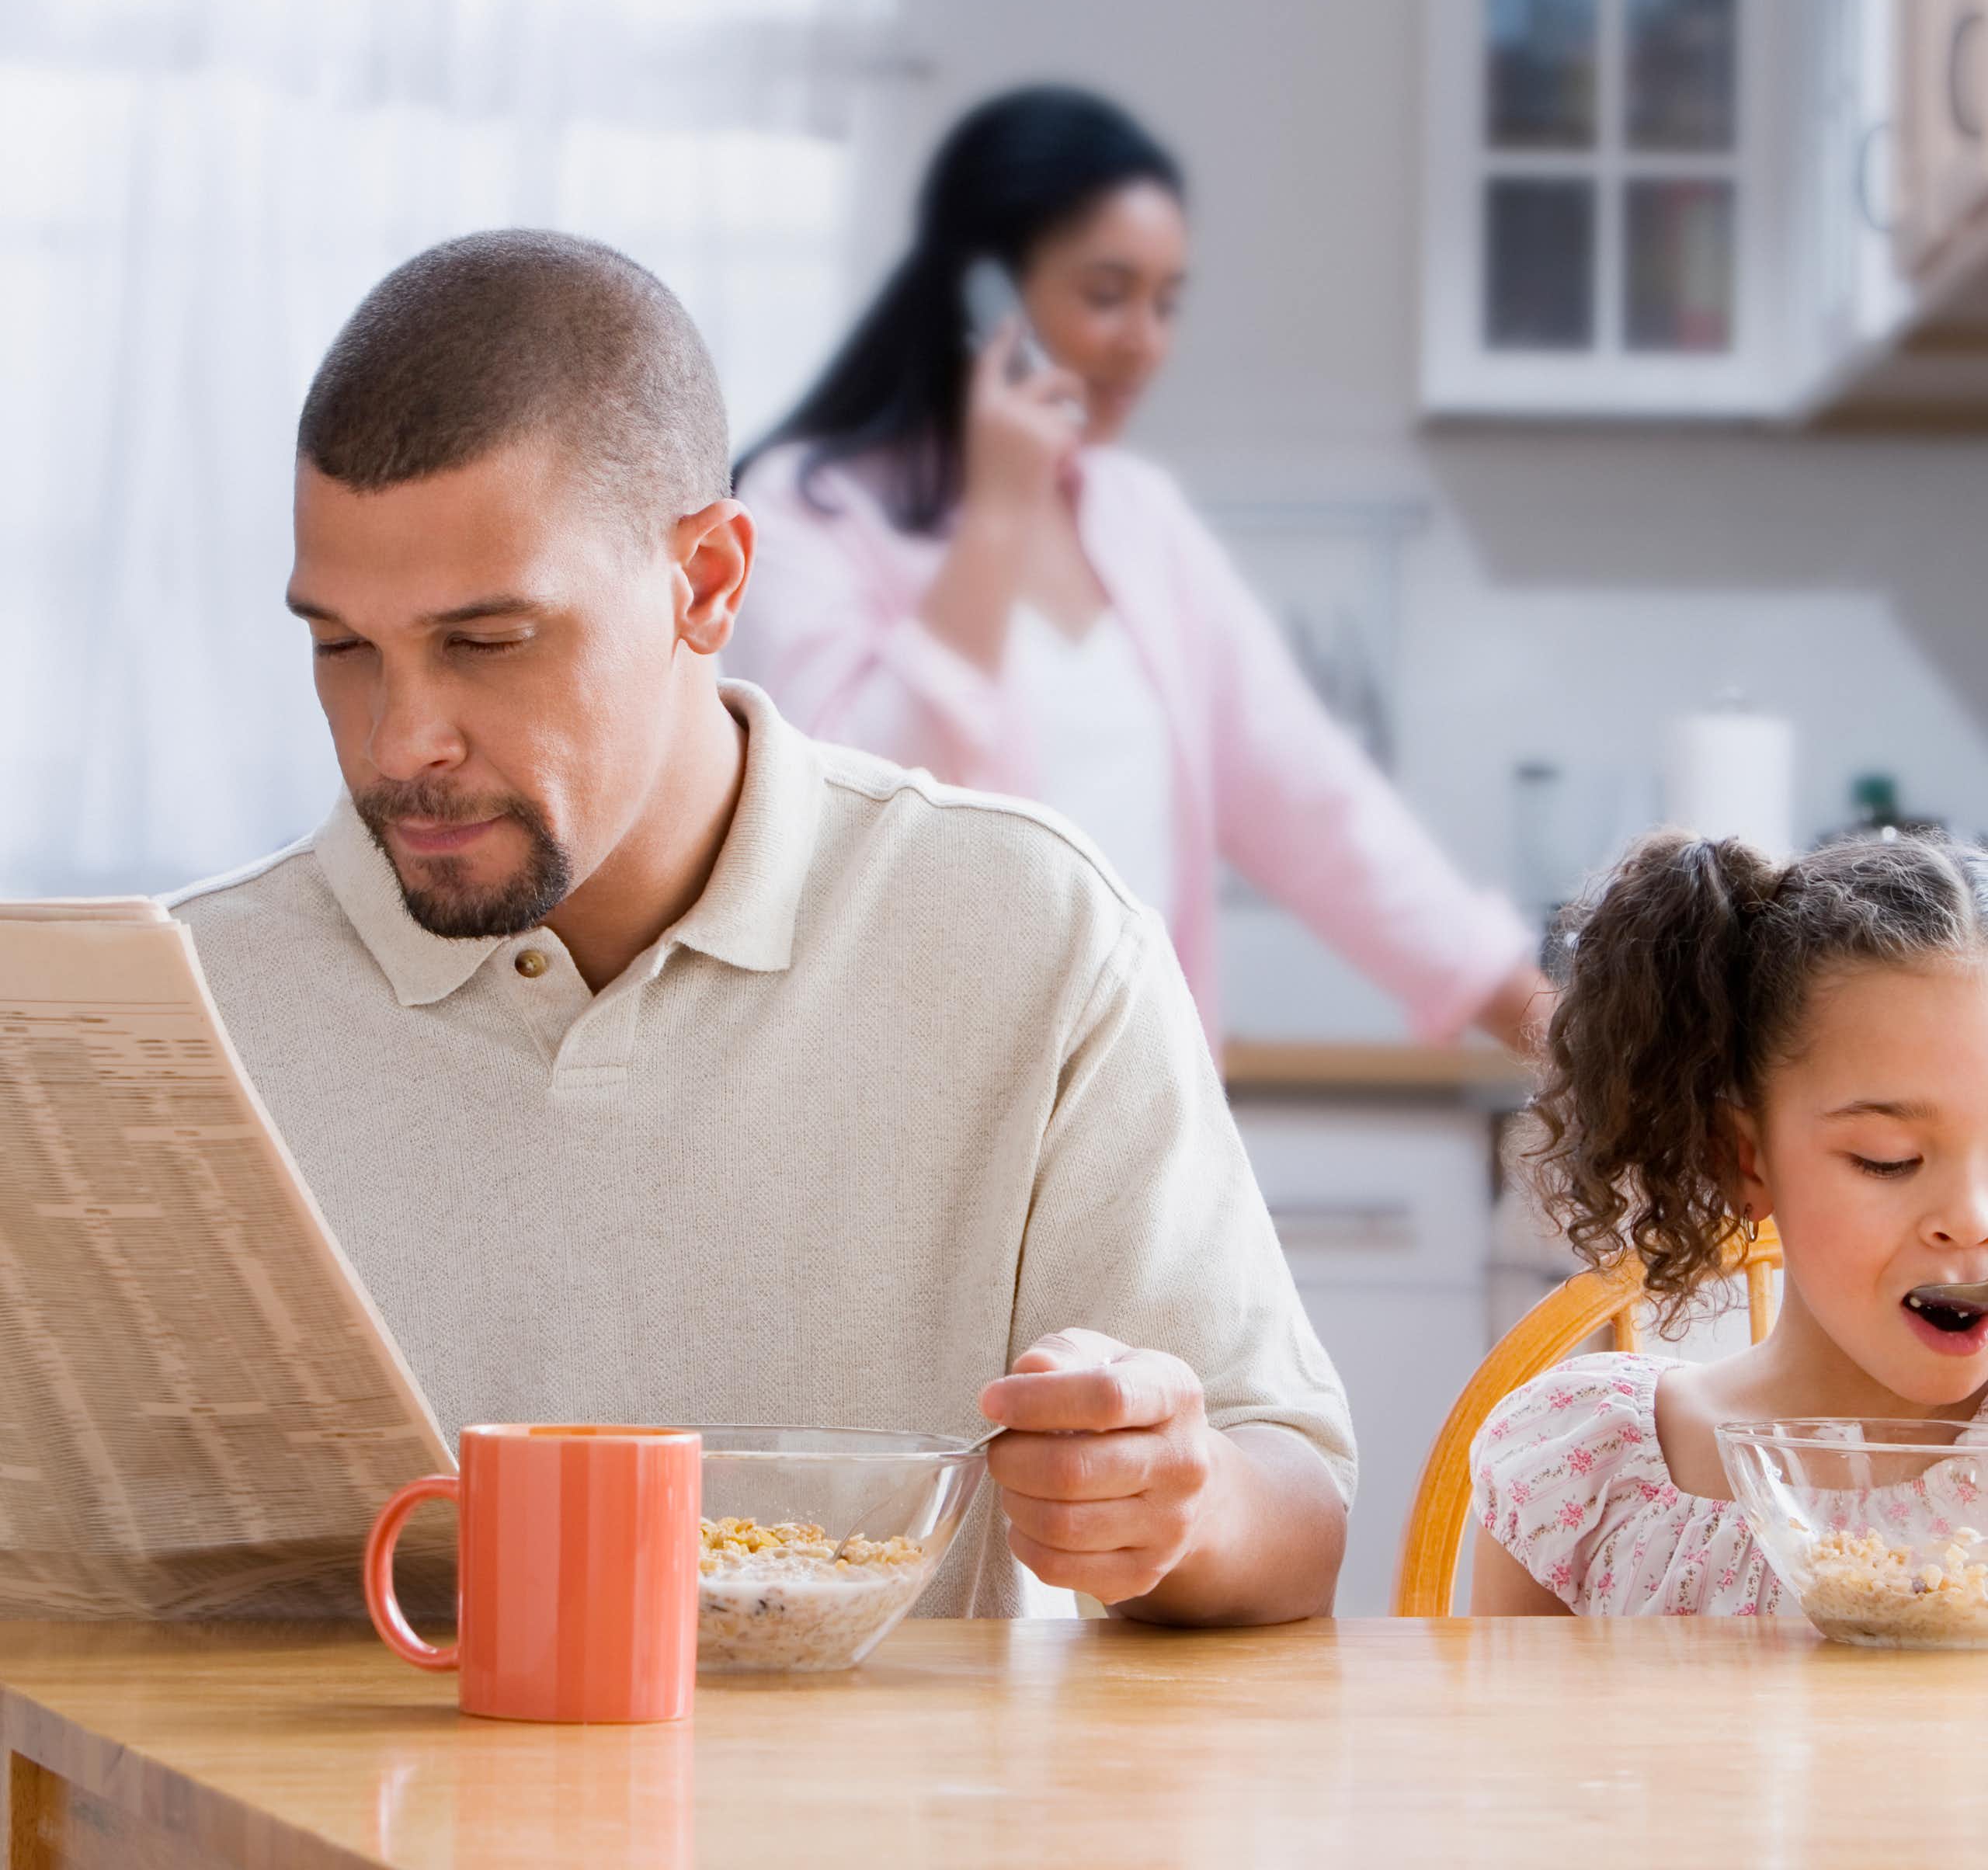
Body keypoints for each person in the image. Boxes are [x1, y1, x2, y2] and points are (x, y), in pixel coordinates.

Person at [168, 230, 1354, 1625]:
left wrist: (1178, 1495)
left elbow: (1299, 1506)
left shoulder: (1027, 936)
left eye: (487, 643)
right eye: (342, 646)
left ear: (710, 583)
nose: (399, 739)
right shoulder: (190, 1003)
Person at [728, 86, 1545, 1054]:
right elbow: (840, 823)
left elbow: (1317, 805)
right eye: (1106, 294)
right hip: (911, 1098)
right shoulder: (806, 509)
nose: (1143, 341)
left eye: (1165, 303)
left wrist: (1541, 1019)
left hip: (1133, 1100)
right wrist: (995, 514)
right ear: (980, 291)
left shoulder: (1141, 520)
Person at [1471, 829, 1988, 1618]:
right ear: (1744, 1159)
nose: (1970, 1220)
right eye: (1887, 1159)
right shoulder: (1587, 1473)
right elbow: (1506, 1740)